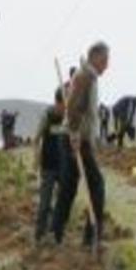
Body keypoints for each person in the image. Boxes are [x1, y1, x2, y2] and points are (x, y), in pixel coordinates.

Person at [54, 41, 110, 246]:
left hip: (77, 139)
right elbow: (74, 108)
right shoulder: (85, 76)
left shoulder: (88, 76)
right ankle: (91, 237)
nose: (107, 65)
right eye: (105, 60)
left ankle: (56, 234)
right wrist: (76, 135)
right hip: (76, 140)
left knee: (68, 189)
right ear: (95, 58)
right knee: (97, 186)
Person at [33, 89, 70, 243]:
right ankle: (39, 236)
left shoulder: (69, 118)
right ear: (57, 102)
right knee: (44, 203)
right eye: (64, 105)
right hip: (48, 165)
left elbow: (74, 136)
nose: (65, 108)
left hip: (64, 166)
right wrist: (36, 159)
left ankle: (57, 235)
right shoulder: (47, 116)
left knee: (62, 202)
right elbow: (36, 138)